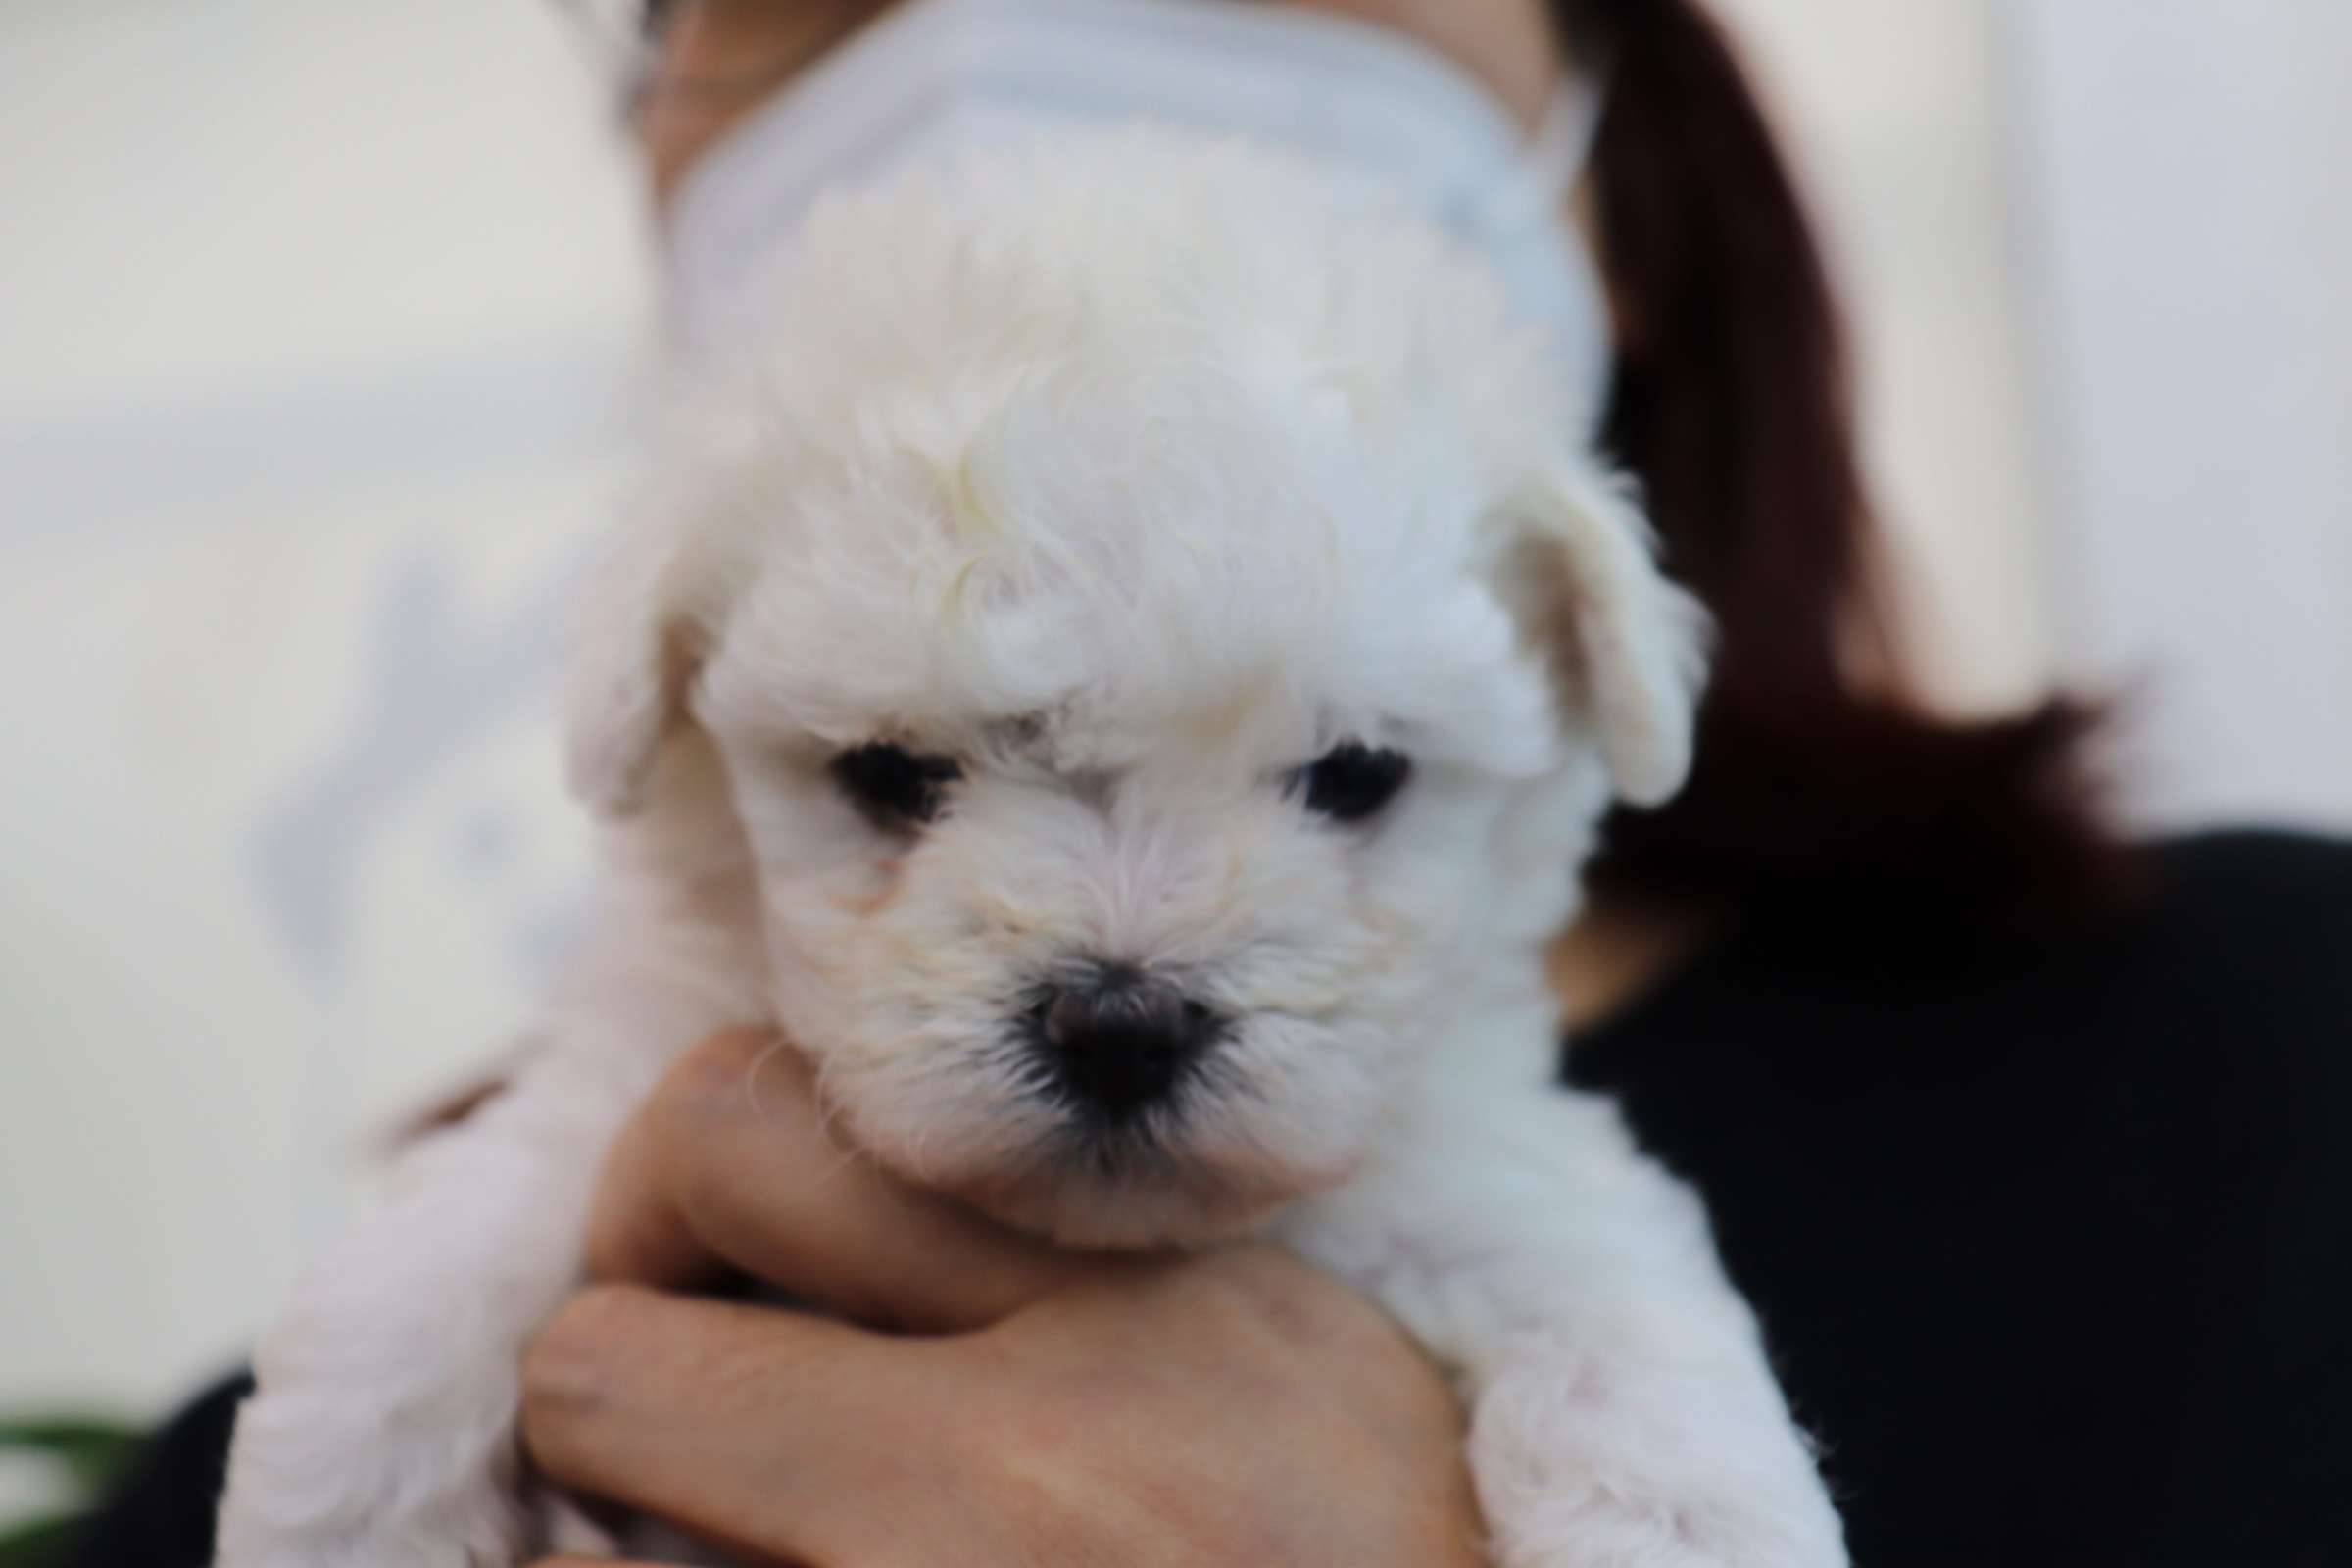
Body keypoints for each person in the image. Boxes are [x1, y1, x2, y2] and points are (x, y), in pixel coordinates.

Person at [59, 1, 2352, 1565]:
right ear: (664, 680)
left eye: (1343, 778)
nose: (1124, 970)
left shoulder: (2265, 1090)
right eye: (899, 776)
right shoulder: (273, 1417)